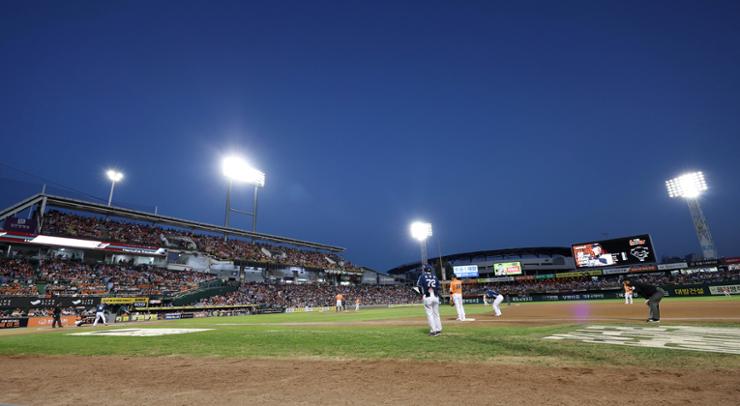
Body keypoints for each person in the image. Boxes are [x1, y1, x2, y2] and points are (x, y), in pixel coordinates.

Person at [416, 264, 442, 336]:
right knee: (436, 314)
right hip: (436, 296)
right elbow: (439, 287)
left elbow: (418, 286)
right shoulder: (435, 277)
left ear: (425, 270)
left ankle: (433, 331)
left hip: (428, 296)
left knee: (430, 314)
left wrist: (421, 294)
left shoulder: (422, 276)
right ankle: (438, 329)